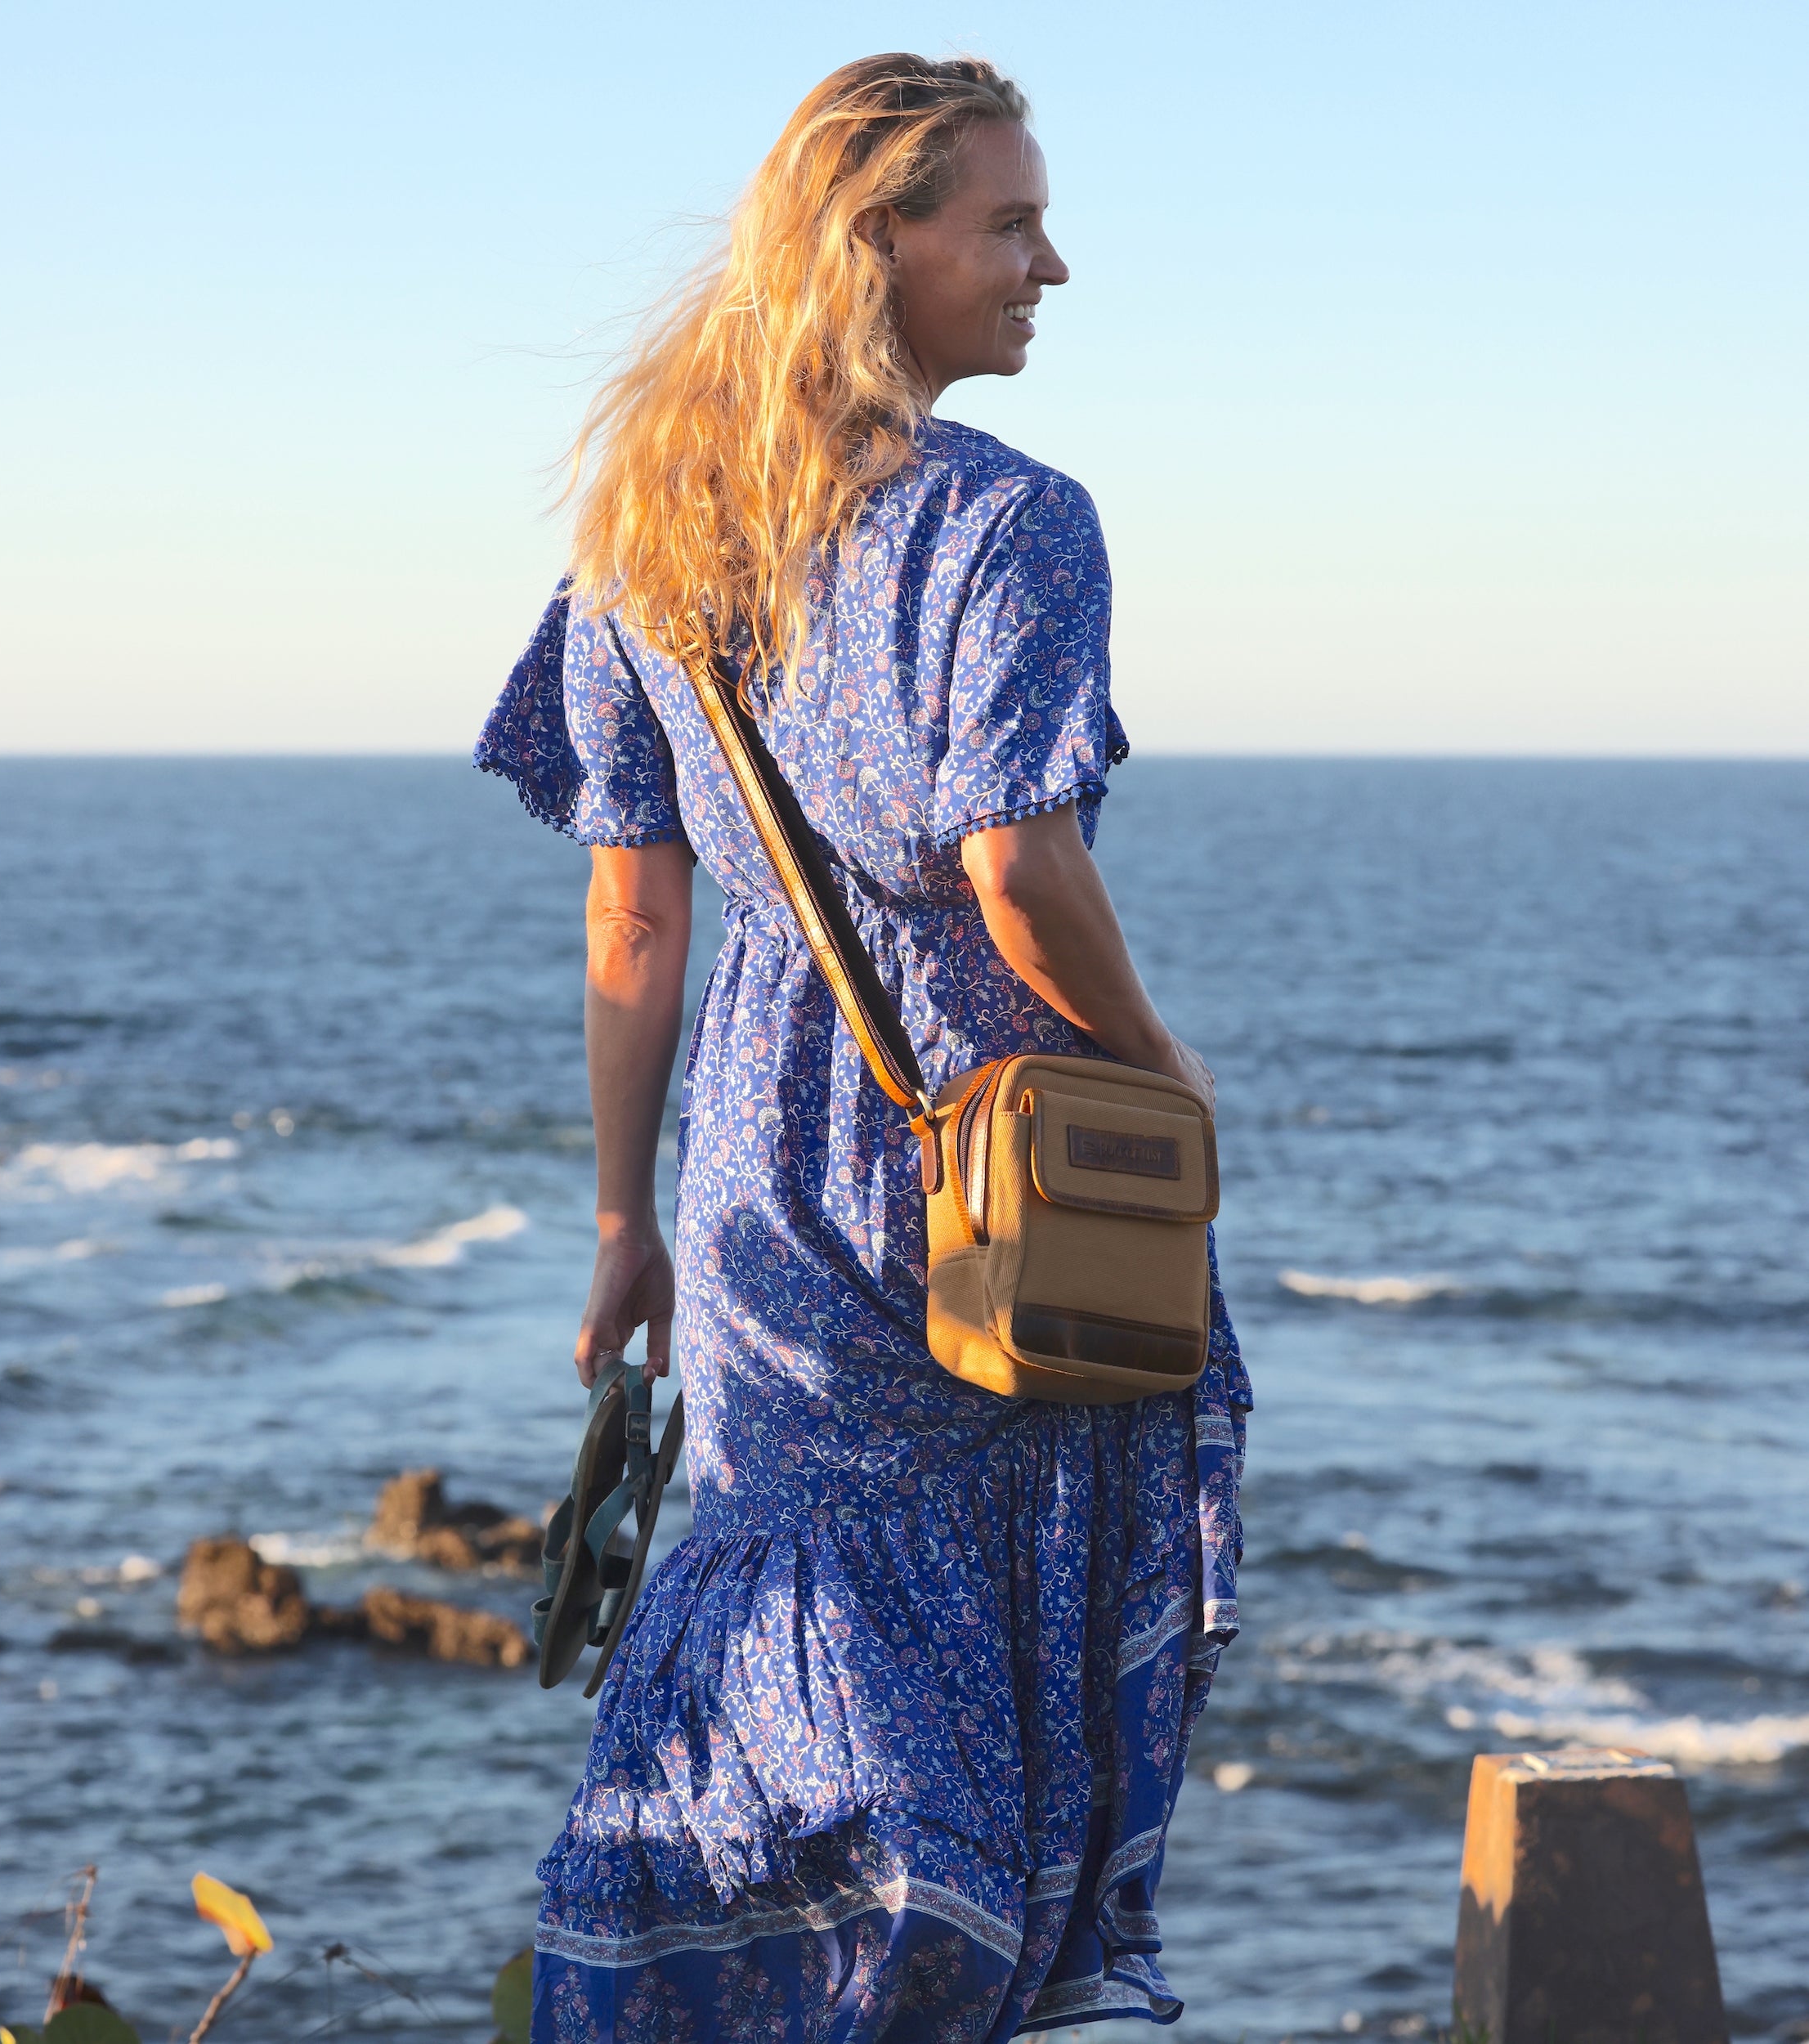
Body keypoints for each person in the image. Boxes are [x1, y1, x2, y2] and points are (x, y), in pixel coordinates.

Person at [476, 52, 1250, 2041]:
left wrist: (618, 1214)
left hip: (757, 1153)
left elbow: (633, 915)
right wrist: (1161, 1069)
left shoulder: (644, 522)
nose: (1048, 264)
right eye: (1005, 223)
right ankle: (1005, 1987)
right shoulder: (1014, 523)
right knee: (1029, 1589)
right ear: (870, 244)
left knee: (783, 1601)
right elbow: (1012, 864)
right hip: (998, 1150)